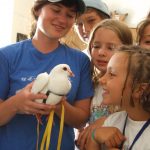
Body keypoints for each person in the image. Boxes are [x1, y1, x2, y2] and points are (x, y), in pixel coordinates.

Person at [0, 0, 94, 150]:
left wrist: (58, 105)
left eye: (70, 15)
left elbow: (81, 121)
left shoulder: (80, 61)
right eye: (56, 10)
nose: (62, 20)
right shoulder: (6, 56)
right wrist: (16, 104)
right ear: (37, 10)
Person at [76, 19, 133, 150]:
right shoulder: (91, 84)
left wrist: (103, 122)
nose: (101, 52)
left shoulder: (128, 87)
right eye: (96, 46)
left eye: (110, 47)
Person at [87, 45, 150, 150]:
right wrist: (95, 136)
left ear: (139, 89)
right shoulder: (112, 122)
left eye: (111, 74)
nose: (101, 80)